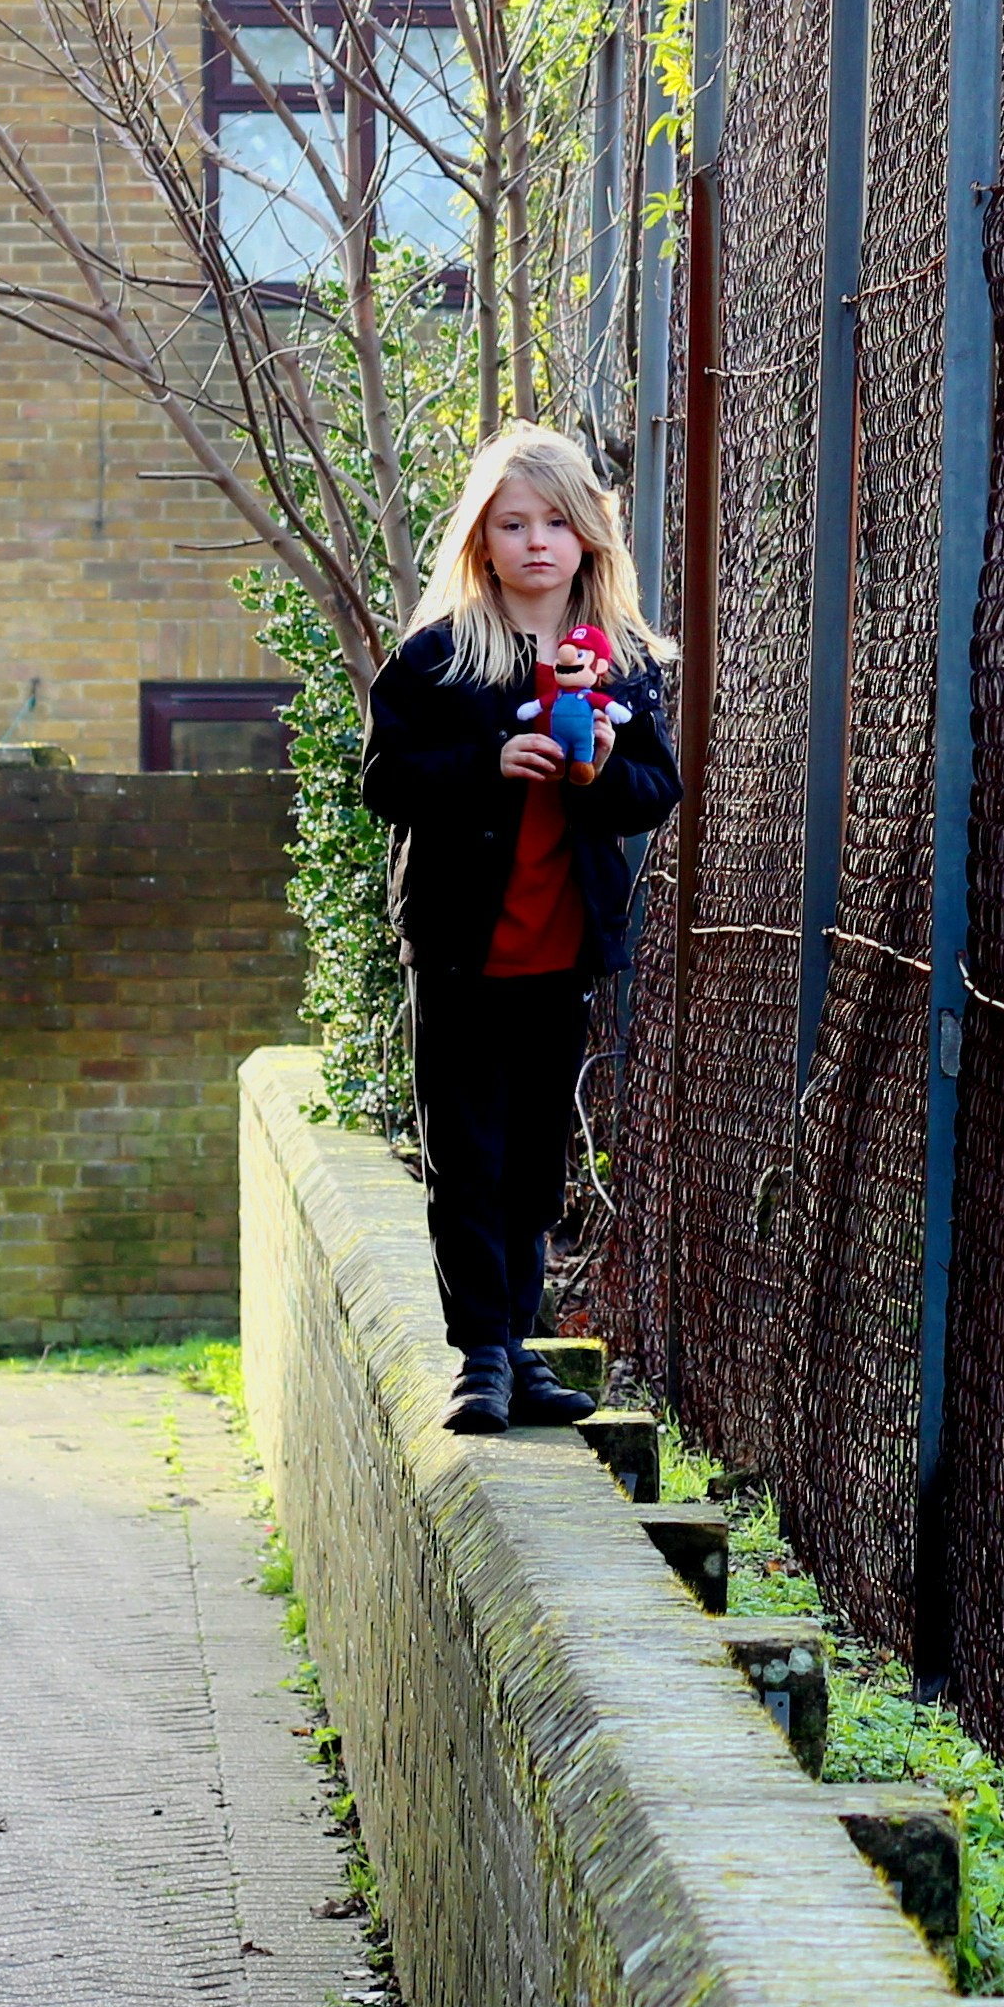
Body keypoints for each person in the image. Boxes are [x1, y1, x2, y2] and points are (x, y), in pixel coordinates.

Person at [360, 422, 682, 1434]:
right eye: (511, 523)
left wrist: (593, 777)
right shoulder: (440, 657)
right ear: (480, 539)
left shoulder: (620, 663)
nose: (534, 540)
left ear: (588, 534)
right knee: (466, 1153)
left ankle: (514, 1345)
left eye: (554, 520)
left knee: (533, 1160)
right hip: (460, 945)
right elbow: (384, 780)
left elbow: (651, 792)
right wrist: (489, 759)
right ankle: (480, 1357)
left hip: (561, 945)